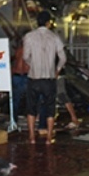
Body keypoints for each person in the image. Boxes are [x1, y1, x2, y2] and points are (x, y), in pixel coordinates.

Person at [22, 10, 66, 144]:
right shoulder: (54, 37)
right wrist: (57, 69)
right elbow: (63, 58)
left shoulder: (29, 36)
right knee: (50, 108)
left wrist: (32, 64)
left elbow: (25, 57)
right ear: (48, 23)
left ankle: (31, 137)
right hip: (49, 79)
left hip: (34, 78)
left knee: (31, 108)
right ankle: (48, 138)